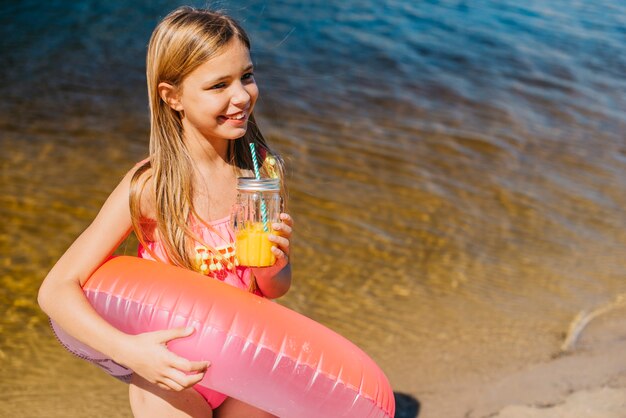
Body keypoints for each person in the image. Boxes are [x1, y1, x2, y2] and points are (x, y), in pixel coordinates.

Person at [38, 6, 293, 418]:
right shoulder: (153, 186)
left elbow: (274, 287)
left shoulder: (260, 170)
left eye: (246, 76)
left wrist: (273, 266)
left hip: (245, 367)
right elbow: (56, 289)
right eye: (218, 85)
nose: (242, 96)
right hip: (170, 374)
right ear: (172, 96)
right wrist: (131, 352)